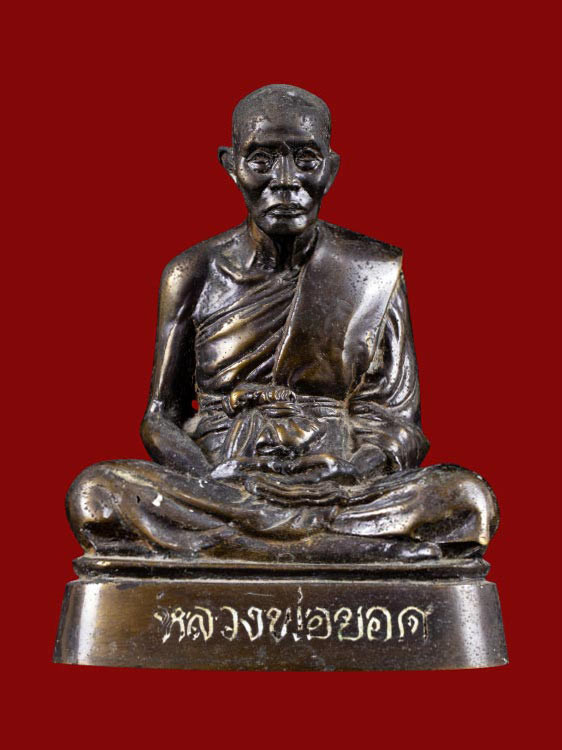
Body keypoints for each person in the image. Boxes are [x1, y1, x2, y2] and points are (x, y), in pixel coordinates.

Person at [67, 84, 498, 563]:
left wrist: (355, 470)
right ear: (231, 165)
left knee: (466, 499)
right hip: (226, 479)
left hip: (334, 483)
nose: (286, 181)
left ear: (331, 169)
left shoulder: (371, 271)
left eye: (306, 161)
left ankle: (242, 549)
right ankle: (339, 551)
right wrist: (212, 476)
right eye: (262, 161)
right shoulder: (193, 273)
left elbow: (396, 421)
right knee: (97, 493)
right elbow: (160, 416)